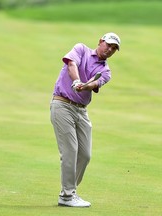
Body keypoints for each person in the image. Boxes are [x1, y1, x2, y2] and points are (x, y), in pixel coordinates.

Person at [50, 32, 121, 207]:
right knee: (70, 151)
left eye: (114, 49)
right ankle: (67, 195)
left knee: (85, 155)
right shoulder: (81, 49)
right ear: (100, 42)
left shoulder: (105, 71)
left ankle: (68, 192)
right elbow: (71, 64)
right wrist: (76, 82)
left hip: (81, 111)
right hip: (62, 105)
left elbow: (95, 84)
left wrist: (85, 86)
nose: (110, 49)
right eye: (108, 45)